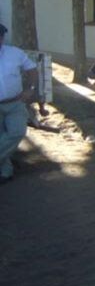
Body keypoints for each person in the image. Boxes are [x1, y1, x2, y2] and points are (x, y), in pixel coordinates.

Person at [0, 23, 39, 184]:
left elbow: (32, 69)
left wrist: (30, 88)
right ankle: (5, 172)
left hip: (15, 103)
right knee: (2, 138)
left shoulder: (14, 53)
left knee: (17, 132)